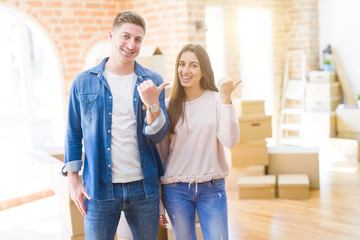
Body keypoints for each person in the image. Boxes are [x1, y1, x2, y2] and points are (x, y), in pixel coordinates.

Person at [62, 11, 170, 240]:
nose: (131, 45)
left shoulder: (153, 82)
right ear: (111, 36)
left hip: (144, 188)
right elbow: (73, 133)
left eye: (138, 39)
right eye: (125, 36)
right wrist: (73, 180)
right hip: (99, 189)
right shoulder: (83, 82)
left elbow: (159, 135)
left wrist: (153, 105)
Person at [157, 44, 241, 240]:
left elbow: (229, 141)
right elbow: (160, 157)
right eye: (182, 64)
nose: (185, 71)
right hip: (175, 189)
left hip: (212, 188)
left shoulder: (218, 100)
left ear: (204, 70)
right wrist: (159, 201)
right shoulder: (169, 106)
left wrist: (227, 97)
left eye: (193, 65)